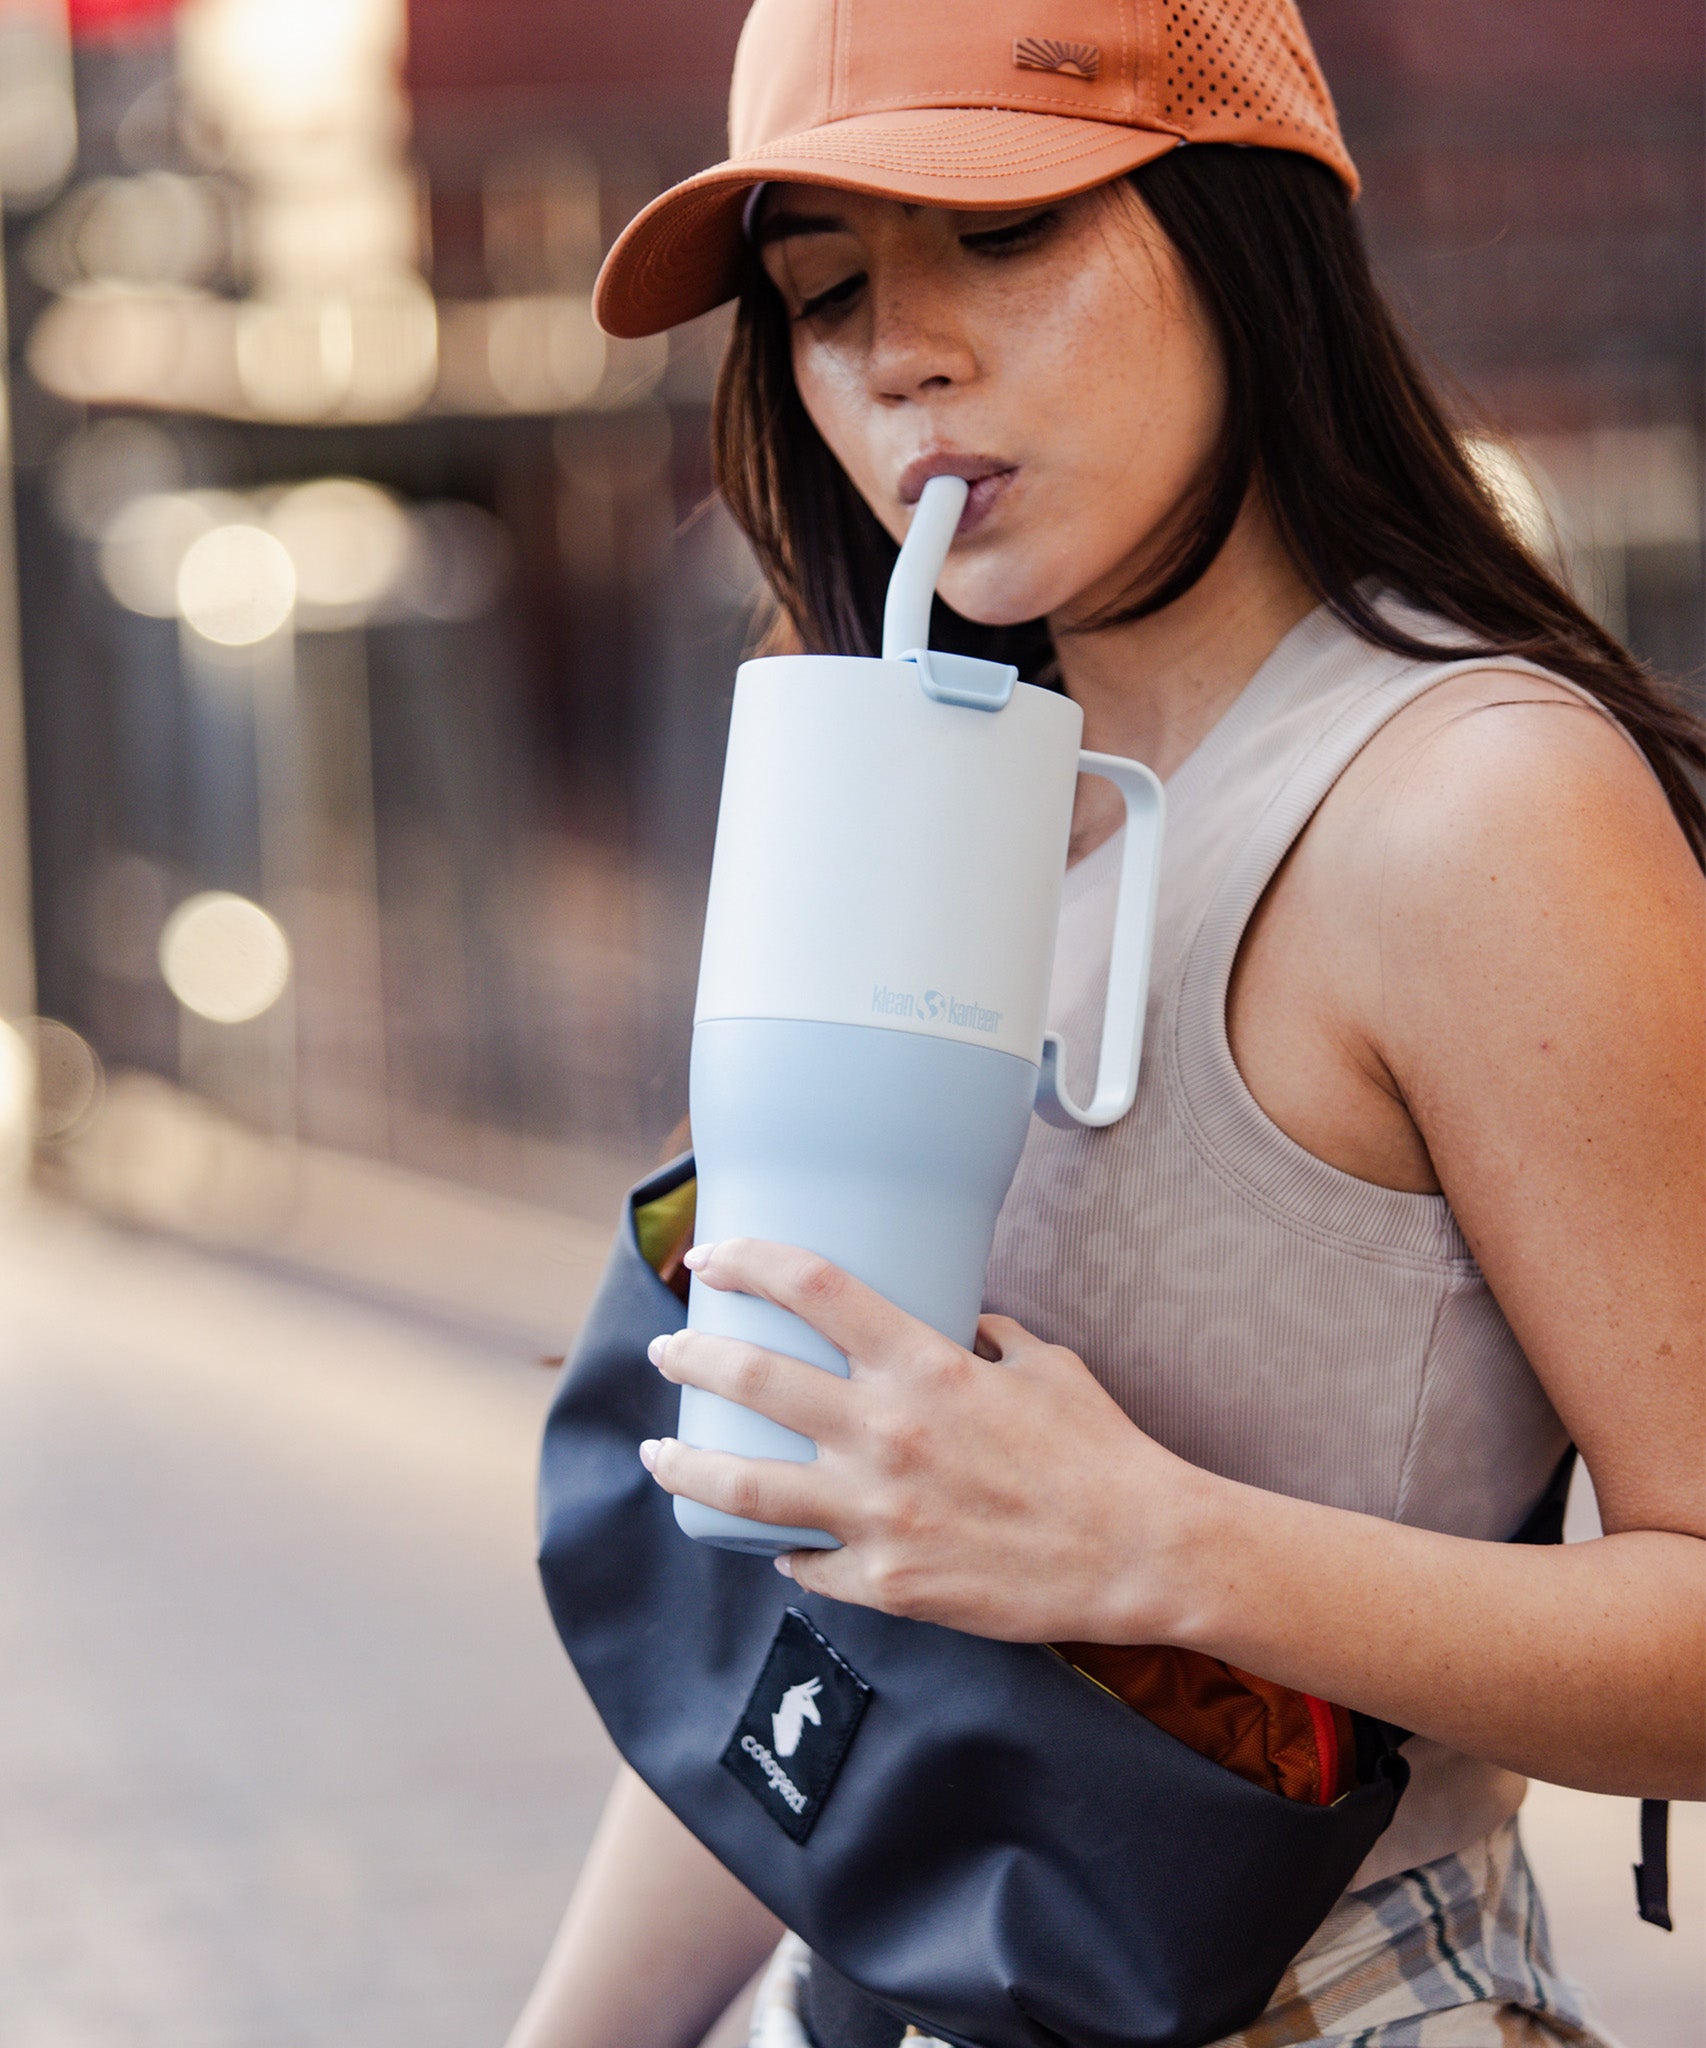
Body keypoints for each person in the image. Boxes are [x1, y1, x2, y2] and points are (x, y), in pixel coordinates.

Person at [508, 2, 1704, 2043]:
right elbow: (818, 1649)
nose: (898, 355)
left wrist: (1154, 1547)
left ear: (1245, 234)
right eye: (824, 291)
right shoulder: (912, 785)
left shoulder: (1469, 804)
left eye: (1004, 233)